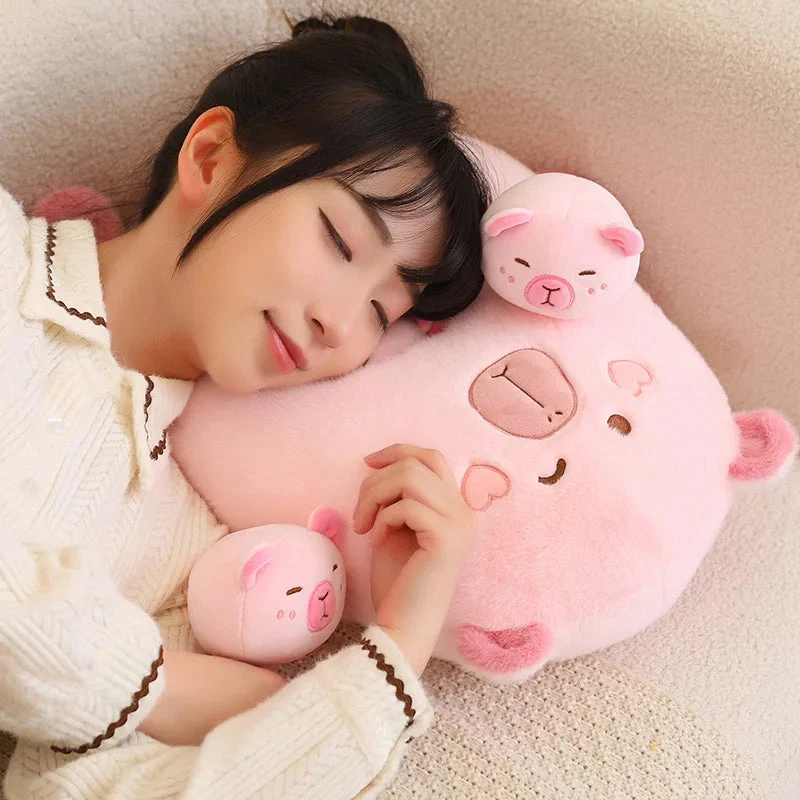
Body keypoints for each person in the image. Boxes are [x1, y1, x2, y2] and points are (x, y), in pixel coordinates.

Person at [0, 13, 488, 800]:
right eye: (339, 240)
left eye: (381, 313)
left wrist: (400, 644)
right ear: (211, 156)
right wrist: (154, 684)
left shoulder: (185, 548)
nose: (340, 325)